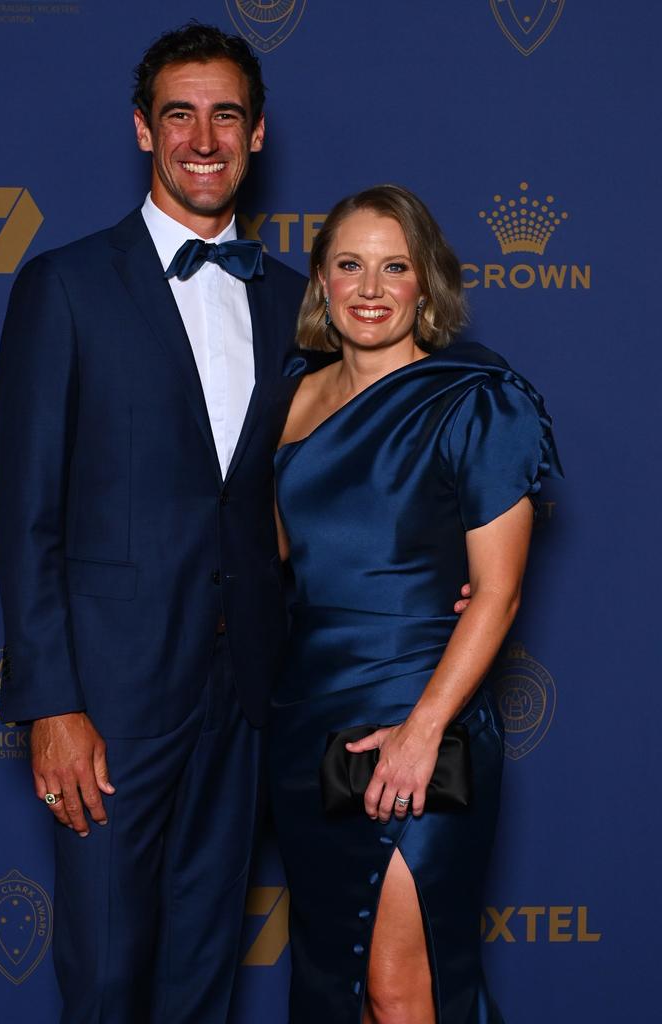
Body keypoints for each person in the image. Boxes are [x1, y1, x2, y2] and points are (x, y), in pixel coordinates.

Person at [0, 23, 308, 1024]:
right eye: (180, 114)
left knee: (201, 979)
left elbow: (320, 496)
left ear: (257, 136)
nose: (203, 138)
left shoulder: (300, 305)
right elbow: (27, 512)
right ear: (143, 130)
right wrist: (52, 703)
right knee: (108, 978)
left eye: (226, 116)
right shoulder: (67, 285)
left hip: (246, 698)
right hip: (111, 706)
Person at [270, 185, 563, 1024]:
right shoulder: (290, 399)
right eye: (349, 265)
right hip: (310, 718)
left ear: (425, 287)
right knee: (348, 988)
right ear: (321, 282)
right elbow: (271, 559)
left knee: (406, 994)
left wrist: (423, 733)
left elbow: (498, 592)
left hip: (420, 714)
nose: (370, 287)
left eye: (394, 267)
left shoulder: (477, 399)